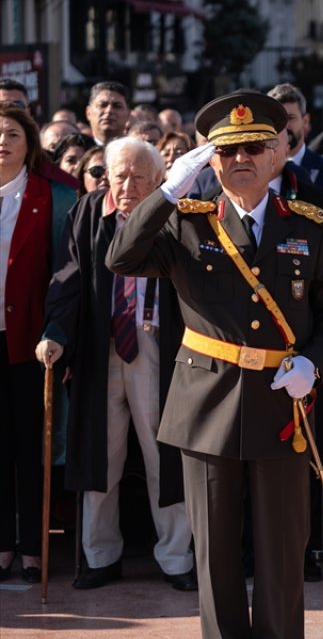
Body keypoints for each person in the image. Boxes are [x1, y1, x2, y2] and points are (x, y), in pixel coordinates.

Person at [104, 92, 323, 639]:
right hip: (207, 405)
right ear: (210, 158)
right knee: (214, 556)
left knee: (284, 553)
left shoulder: (308, 223)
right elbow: (120, 256)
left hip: (282, 407)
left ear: (278, 154)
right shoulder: (186, 221)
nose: (241, 158)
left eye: (254, 147)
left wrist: (314, 361)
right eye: (228, 149)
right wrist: (167, 191)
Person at [37, 137, 196, 592]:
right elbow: (67, 277)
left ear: (157, 179)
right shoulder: (89, 212)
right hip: (101, 351)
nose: (126, 185)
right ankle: (99, 555)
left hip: (158, 350)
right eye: (119, 175)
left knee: (162, 456)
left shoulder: (175, 212)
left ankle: (175, 557)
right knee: (99, 460)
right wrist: (55, 332)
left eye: (138, 176)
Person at [0, 104, 76, 584]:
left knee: (31, 447)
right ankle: (2, 543)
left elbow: (65, 274)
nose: (1, 141)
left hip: (29, 340)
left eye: (11, 133)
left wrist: (58, 332)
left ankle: (32, 545)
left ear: (29, 145)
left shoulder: (51, 197)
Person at [268, 83, 323, 201]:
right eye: (277, 120)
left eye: (290, 118)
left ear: (305, 121)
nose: (284, 127)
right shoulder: (257, 173)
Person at [85, 82, 130, 146]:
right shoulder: (78, 153)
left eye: (117, 106)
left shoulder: (139, 153)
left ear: (128, 114)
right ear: (88, 112)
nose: (109, 111)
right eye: (102, 105)